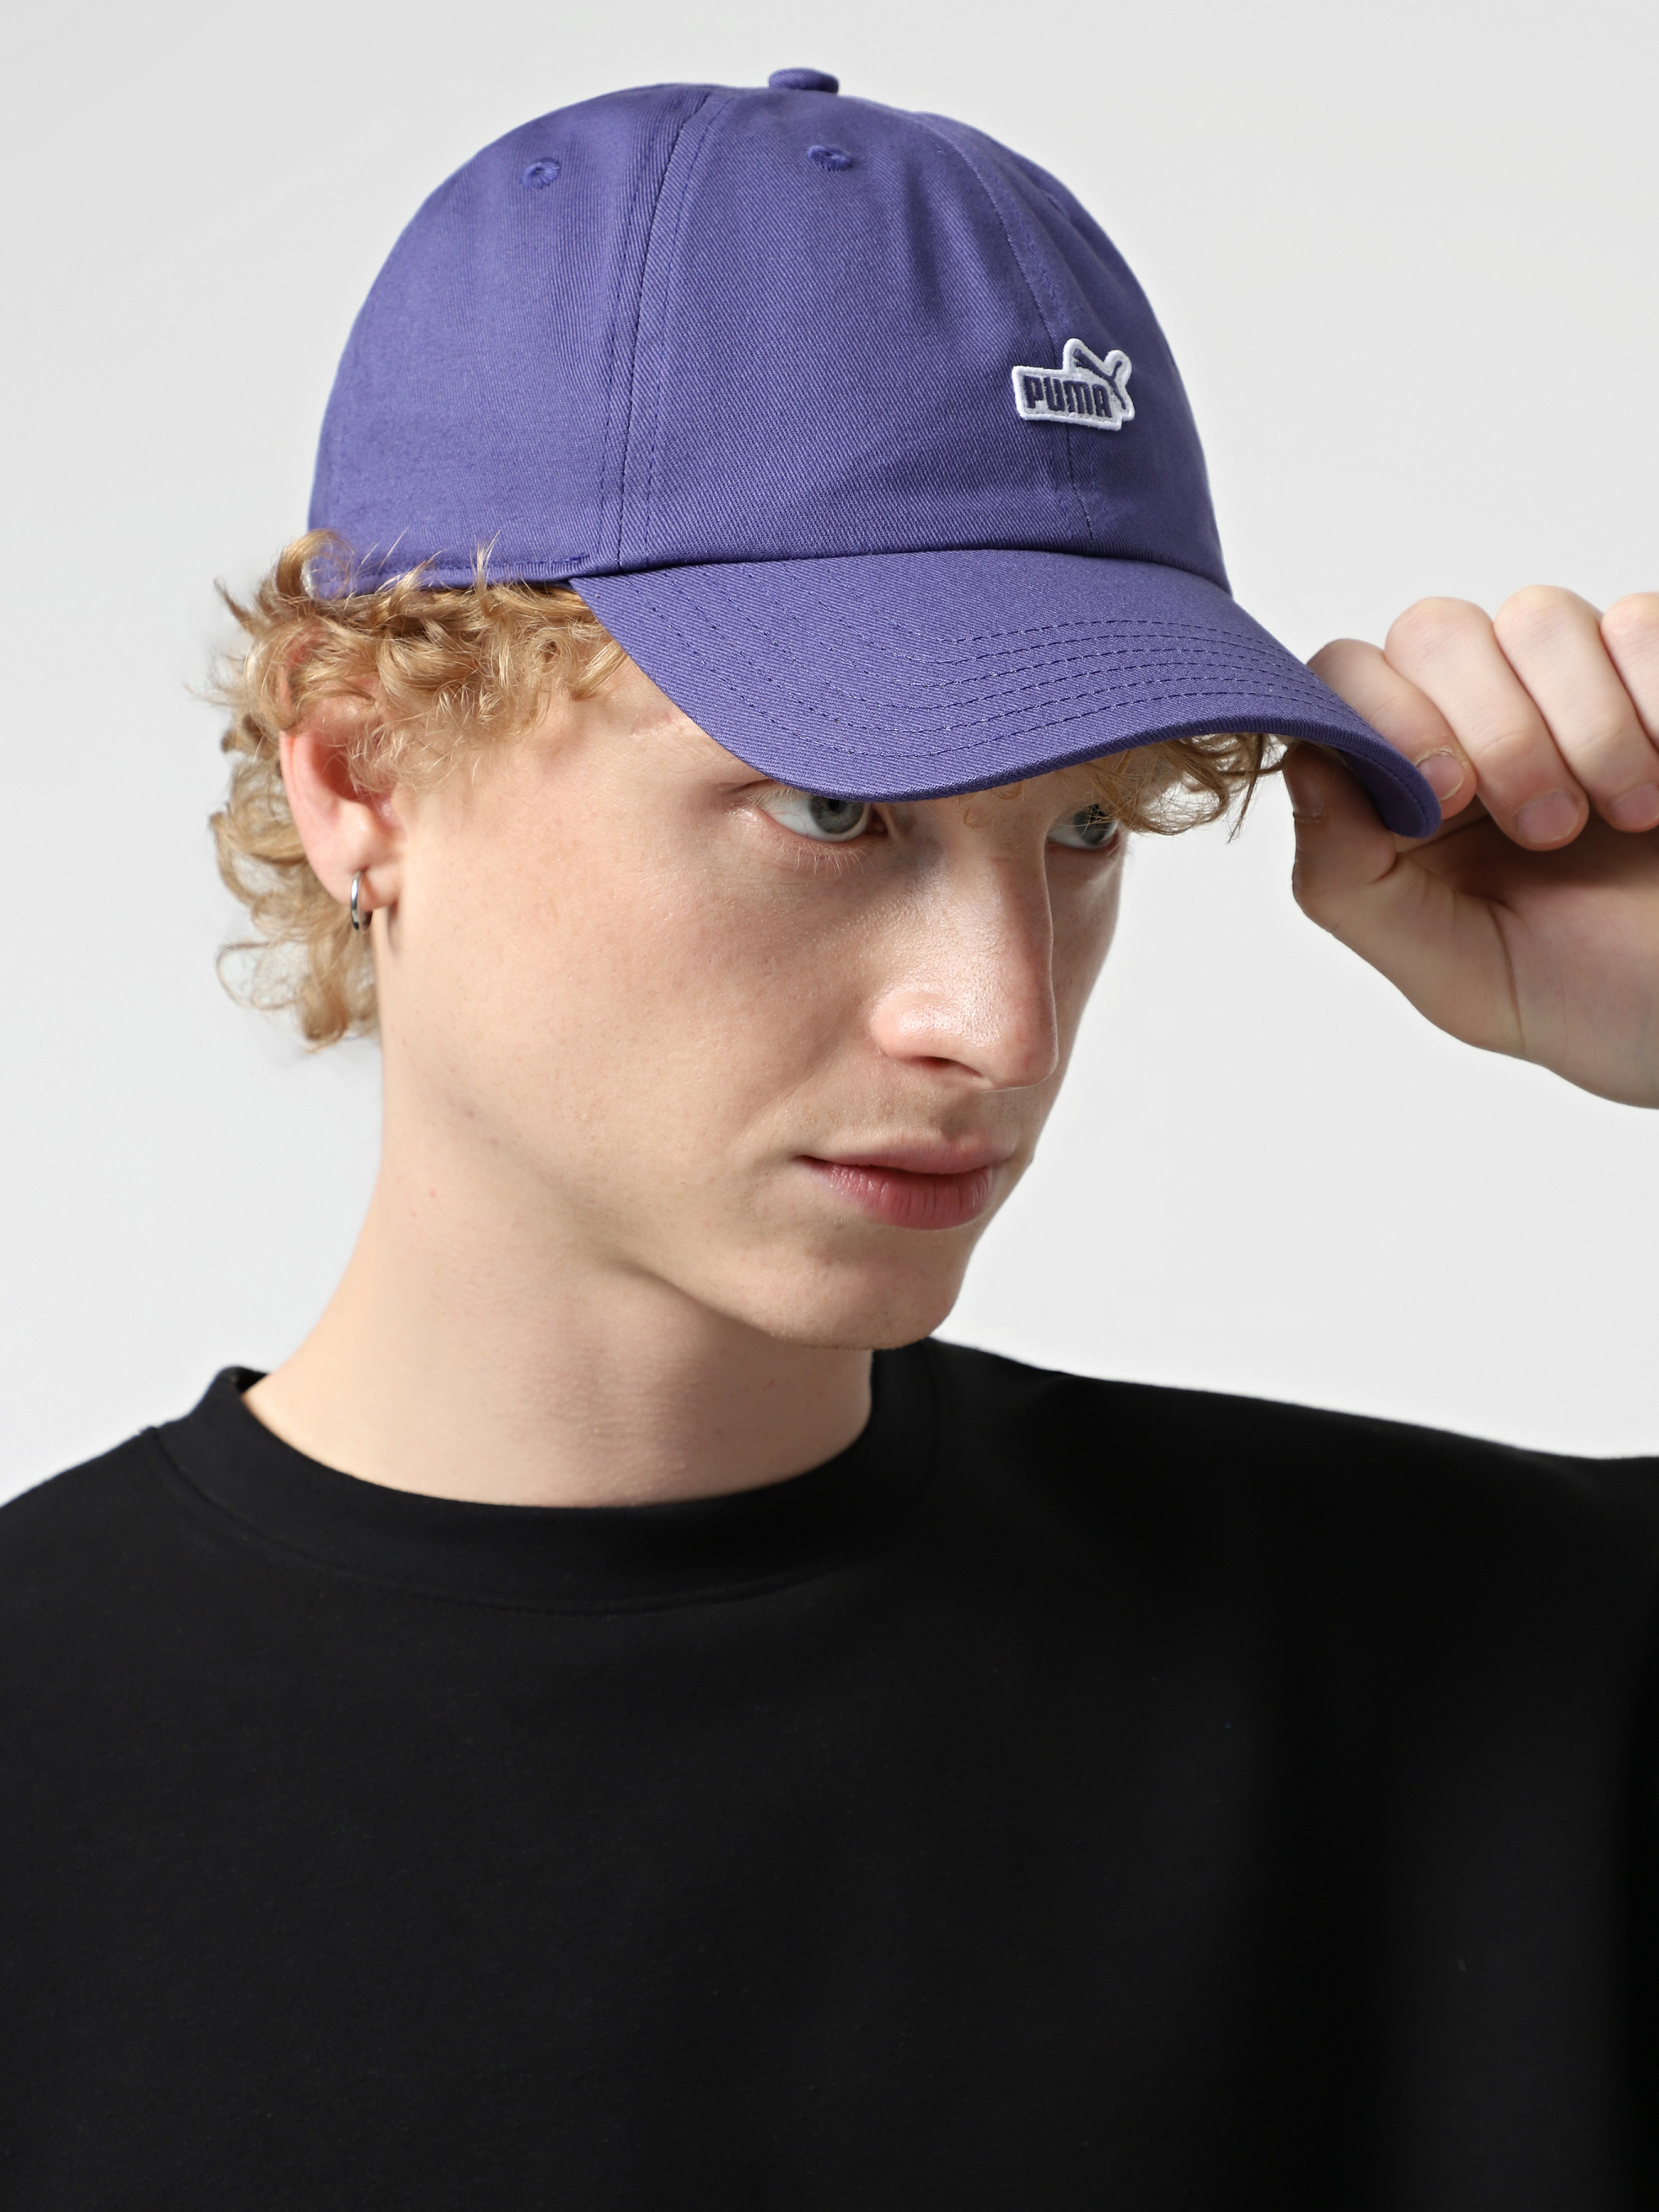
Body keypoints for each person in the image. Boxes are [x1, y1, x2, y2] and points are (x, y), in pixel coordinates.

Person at [2, 66, 1657, 2208]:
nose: (1002, 1018)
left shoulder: (1487, 1677)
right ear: (360, 772)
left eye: (1084, 825)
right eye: (829, 805)